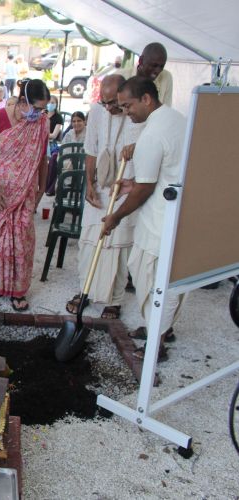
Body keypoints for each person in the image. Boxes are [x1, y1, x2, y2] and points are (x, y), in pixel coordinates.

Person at [101, 76, 187, 361]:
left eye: (128, 106)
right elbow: (164, 170)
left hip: (160, 222)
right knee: (168, 278)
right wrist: (134, 183)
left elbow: (146, 189)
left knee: (149, 277)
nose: (126, 113)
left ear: (146, 99)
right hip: (177, 217)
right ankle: (164, 329)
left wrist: (114, 216)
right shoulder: (176, 119)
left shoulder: (151, 134)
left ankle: (156, 344)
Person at [67, 74, 144, 320]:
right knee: (89, 240)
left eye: (114, 103)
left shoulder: (137, 116)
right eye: (104, 102)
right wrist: (89, 183)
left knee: (118, 246)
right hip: (100, 186)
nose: (109, 108)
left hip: (125, 188)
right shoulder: (97, 112)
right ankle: (85, 291)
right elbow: (91, 150)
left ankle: (114, 300)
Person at [0, 80, 50, 311]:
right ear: (23, 102)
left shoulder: (41, 124)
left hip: (24, 193)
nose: (39, 114)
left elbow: (42, 159)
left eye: (43, 109)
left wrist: (41, 189)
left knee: (21, 241)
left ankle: (17, 291)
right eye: (36, 108)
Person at [44, 94, 65, 194]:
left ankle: (48, 187)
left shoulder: (58, 118)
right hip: (41, 142)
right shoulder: (42, 114)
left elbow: (53, 135)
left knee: (53, 159)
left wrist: (42, 134)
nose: (50, 104)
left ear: (56, 104)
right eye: (48, 102)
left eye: (53, 103)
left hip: (52, 143)